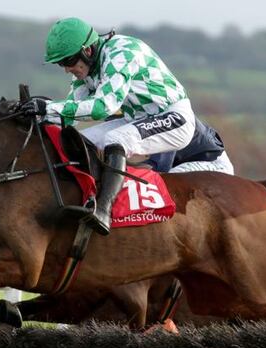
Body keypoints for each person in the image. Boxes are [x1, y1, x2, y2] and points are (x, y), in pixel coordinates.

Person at [19, 17, 233, 235]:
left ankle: (103, 209)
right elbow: (69, 116)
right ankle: (80, 198)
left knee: (115, 140)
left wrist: (48, 108)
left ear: (87, 51)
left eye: (68, 62)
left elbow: (103, 106)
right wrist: (30, 116)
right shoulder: (87, 69)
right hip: (139, 119)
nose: (66, 69)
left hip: (175, 118)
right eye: (61, 64)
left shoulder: (120, 53)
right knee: (82, 141)